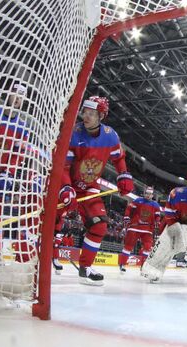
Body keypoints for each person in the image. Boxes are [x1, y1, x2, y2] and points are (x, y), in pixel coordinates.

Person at [58, 96, 134, 285]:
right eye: (85, 112)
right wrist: (65, 187)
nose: (86, 116)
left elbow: (119, 158)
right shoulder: (72, 132)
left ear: (101, 115)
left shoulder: (110, 136)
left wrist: (123, 175)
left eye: (92, 113)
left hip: (90, 188)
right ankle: (41, 258)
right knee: (51, 223)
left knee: (99, 226)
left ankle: (85, 268)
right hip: (64, 185)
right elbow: (63, 166)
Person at [0, 83, 29, 264]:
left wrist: (9, 174)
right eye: (16, 94)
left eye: (22, 96)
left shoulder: (22, 127)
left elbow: (17, 155)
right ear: (9, 94)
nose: (19, 99)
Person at [118, 186, 161, 273]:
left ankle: (143, 267)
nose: (148, 195)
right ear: (144, 193)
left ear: (152, 195)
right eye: (147, 193)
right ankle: (122, 264)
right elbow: (129, 209)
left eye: (150, 194)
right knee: (128, 246)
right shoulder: (138, 201)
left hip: (148, 230)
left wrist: (157, 221)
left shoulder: (156, 205)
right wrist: (126, 216)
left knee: (148, 248)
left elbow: (157, 216)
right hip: (135, 227)